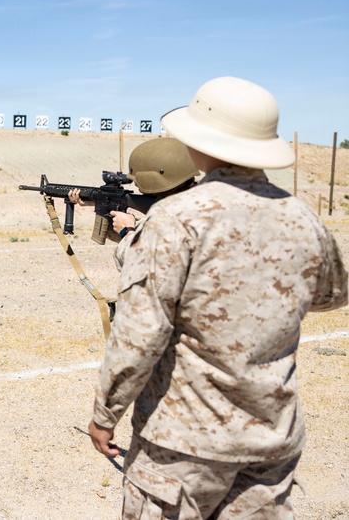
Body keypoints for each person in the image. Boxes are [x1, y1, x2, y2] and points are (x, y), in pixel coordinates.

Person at [88, 76, 347, 519]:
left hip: (185, 441)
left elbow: (140, 335)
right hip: (270, 436)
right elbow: (332, 293)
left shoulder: (174, 218)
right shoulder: (301, 215)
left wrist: (104, 413)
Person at [69, 137, 199, 268]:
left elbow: (142, 265)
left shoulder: (177, 221)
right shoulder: (196, 207)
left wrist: (127, 231)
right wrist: (96, 203)